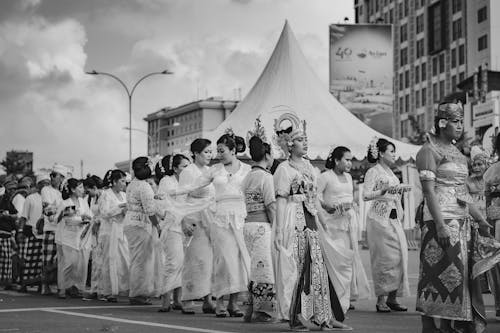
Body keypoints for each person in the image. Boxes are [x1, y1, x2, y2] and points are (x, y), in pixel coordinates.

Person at [416, 102, 494, 332]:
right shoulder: (428, 150)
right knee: (435, 275)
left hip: (461, 223)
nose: (460, 126)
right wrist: (440, 224)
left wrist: (480, 219)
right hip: (438, 222)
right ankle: (429, 324)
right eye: (455, 121)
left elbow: (462, 193)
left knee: (456, 277)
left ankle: (450, 324)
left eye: (461, 121)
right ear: (442, 123)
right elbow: (428, 191)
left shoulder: (459, 154)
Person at [273, 113, 351, 331]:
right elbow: (280, 200)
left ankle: (324, 316)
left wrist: (323, 215)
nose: (304, 143)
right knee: (296, 270)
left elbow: (314, 197)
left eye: (306, 139)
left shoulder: (310, 168)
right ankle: (295, 316)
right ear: (289, 145)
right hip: (292, 219)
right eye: (300, 140)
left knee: (317, 268)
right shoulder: (284, 169)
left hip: (310, 220)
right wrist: (279, 230)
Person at [317, 146, 371, 313]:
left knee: (348, 261)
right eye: (346, 160)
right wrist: (328, 206)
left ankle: (345, 297)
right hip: (332, 225)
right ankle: (333, 298)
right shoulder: (325, 176)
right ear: (336, 160)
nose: (349, 163)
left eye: (350, 159)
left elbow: (349, 197)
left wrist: (351, 205)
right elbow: (316, 197)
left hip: (348, 223)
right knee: (335, 261)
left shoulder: (348, 177)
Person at [205, 132, 251, 318]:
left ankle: (234, 303)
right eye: (217, 151)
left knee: (239, 261)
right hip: (220, 218)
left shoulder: (247, 170)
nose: (218, 154)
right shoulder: (214, 170)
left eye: (222, 150)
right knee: (223, 260)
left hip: (241, 217)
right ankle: (220, 303)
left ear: (233, 150)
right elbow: (199, 188)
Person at [363, 137, 410, 313]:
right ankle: (381, 299)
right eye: (391, 151)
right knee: (384, 259)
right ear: (381, 153)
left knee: (400, 256)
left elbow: (394, 194)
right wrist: (384, 191)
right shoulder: (373, 172)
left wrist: (399, 190)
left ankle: (393, 297)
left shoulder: (391, 172)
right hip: (378, 220)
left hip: (393, 219)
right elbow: (366, 195)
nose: (394, 155)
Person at [241, 130, 277, 322]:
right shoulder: (266, 177)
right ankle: (261, 311)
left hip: (248, 225)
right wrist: (278, 227)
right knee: (265, 269)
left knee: (254, 268)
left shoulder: (247, 177)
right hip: (262, 226)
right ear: (268, 155)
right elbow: (271, 206)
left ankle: (249, 309)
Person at [178, 139, 216, 314]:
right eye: (206, 152)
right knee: (193, 259)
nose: (210, 155)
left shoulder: (210, 171)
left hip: (210, 217)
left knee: (209, 260)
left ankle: (208, 298)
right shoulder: (187, 172)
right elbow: (181, 197)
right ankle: (187, 298)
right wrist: (183, 219)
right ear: (196, 153)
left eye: (210, 152)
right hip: (193, 216)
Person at [124, 157, 164, 305]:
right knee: (142, 260)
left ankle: (136, 291)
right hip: (141, 224)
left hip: (130, 222)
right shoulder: (144, 186)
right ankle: (137, 293)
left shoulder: (131, 185)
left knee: (136, 259)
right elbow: (150, 210)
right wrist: (157, 225)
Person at [155, 154, 192, 313]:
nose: (187, 169)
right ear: (175, 168)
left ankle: (178, 299)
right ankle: (165, 298)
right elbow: (165, 206)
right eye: (184, 166)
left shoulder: (189, 182)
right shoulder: (166, 181)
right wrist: (181, 218)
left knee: (184, 263)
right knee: (173, 262)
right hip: (172, 226)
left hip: (186, 227)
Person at [95, 169, 129, 302]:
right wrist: (121, 208)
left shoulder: (124, 195)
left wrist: (125, 210)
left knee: (124, 260)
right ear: (114, 182)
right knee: (109, 260)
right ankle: (108, 291)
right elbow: (104, 213)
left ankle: (122, 287)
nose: (123, 183)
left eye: (124, 181)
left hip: (121, 229)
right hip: (109, 231)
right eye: (121, 181)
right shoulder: (105, 194)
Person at [55, 178, 93, 299]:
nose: (82, 190)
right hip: (68, 236)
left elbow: (90, 215)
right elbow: (67, 220)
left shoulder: (83, 201)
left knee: (80, 264)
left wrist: (87, 218)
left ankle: (76, 287)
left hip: (81, 236)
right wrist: (82, 219)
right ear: (72, 189)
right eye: (80, 187)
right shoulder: (65, 203)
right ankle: (62, 287)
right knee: (68, 263)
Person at [17, 174, 50, 291]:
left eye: (48, 183)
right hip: (32, 233)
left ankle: (41, 285)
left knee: (43, 262)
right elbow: (23, 217)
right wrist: (20, 231)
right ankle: (25, 284)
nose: (46, 186)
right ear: (38, 185)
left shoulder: (51, 198)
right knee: (29, 260)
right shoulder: (31, 198)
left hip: (46, 233)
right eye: (44, 183)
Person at [40, 165, 66, 295]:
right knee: (48, 259)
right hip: (50, 228)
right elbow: (48, 209)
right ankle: (45, 285)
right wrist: (60, 210)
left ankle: (56, 283)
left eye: (62, 178)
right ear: (52, 177)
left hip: (62, 228)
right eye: (59, 177)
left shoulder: (62, 192)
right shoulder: (46, 190)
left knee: (60, 259)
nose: (60, 180)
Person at [483, 132, 500, 319]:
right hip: (496, 220)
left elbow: (488, 199)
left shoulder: (492, 171)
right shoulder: (492, 170)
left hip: (495, 220)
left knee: (497, 263)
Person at [0, 177, 18, 289]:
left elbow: (16, 215)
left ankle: (5, 281)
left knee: (6, 258)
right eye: (10, 189)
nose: (12, 191)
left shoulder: (7, 201)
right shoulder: (5, 199)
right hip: (4, 232)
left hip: (6, 233)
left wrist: (7, 216)